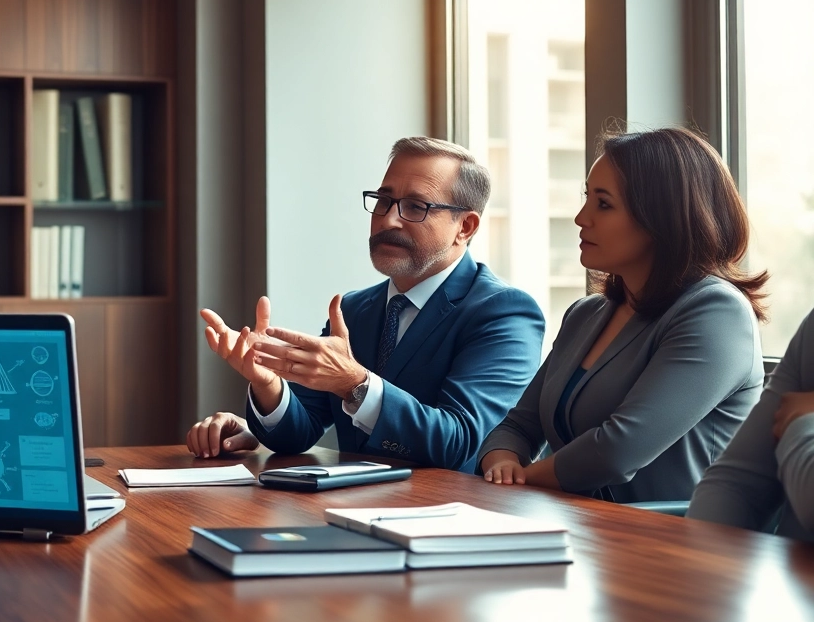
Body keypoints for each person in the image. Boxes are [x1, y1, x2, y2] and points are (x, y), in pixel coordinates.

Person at [187, 137, 545, 473]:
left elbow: (462, 443)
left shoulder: (505, 312)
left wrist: (355, 384)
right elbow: (298, 434)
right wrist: (267, 383)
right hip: (356, 511)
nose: (388, 219)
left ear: (465, 227)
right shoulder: (356, 309)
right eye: (383, 200)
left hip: (454, 522)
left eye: (416, 207)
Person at [478, 127, 765, 503]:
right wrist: (502, 463)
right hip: (581, 526)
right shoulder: (586, 314)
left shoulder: (716, 312)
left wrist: (523, 482)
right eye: (586, 199)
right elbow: (518, 424)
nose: (581, 218)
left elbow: (617, 451)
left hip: (677, 541)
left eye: (604, 204)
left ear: (661, 217)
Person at [687, 309, 814, 541]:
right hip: (782, 574)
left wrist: (801, 421)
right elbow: (736, 482)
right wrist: (696, 565)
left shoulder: (719, 311)